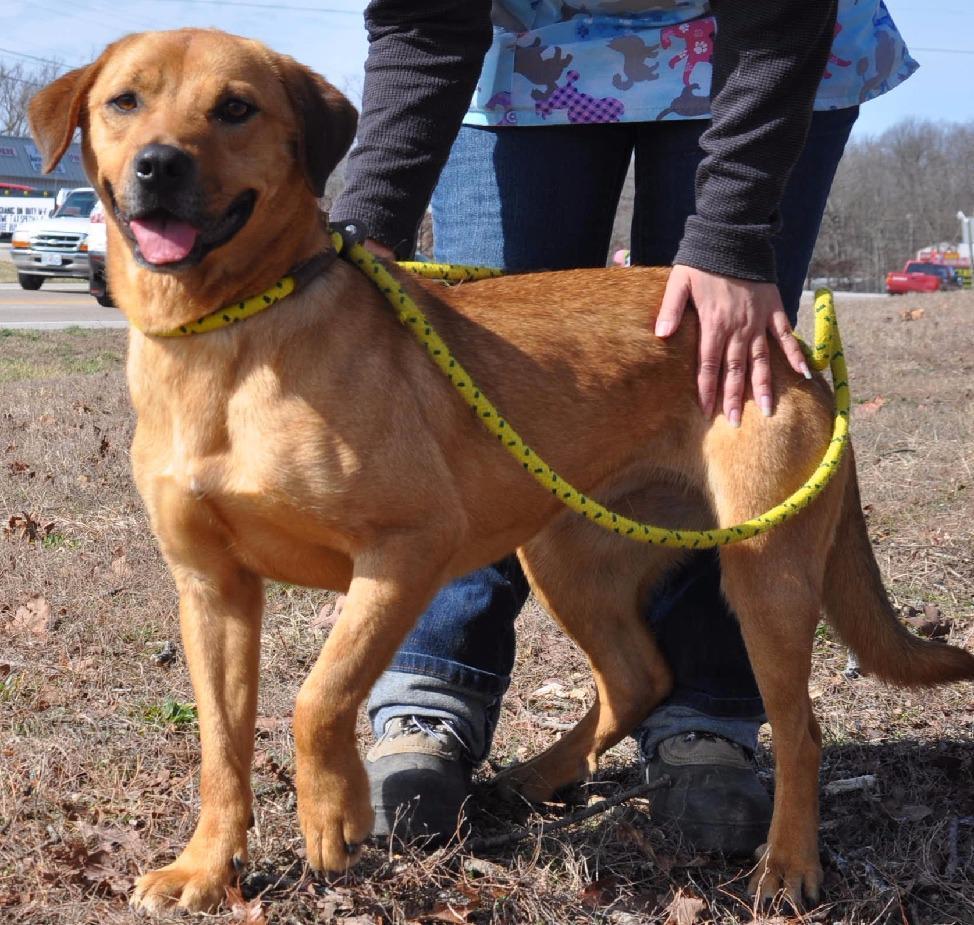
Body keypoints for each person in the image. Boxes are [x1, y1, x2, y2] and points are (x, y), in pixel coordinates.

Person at [331, 0, 917, 855]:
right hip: (522, 57)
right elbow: (425, 18)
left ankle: (708, 714)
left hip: (760, 41)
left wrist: (733, 234)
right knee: (475, 394)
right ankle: (433, 687)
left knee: (725, 370)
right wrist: (371, 227)